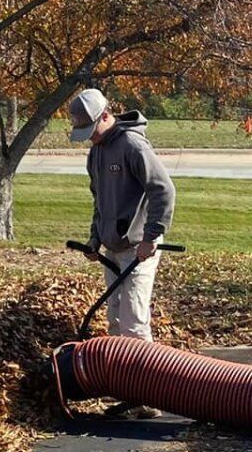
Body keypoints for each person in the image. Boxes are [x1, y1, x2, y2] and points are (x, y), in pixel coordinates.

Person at [72, 86, 175, 341]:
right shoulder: (96, 151)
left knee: (134, 325)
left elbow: (163, 190)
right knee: (116, 322)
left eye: (92, 130)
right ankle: (118, 378)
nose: (90, 137)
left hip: (138, 246)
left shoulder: (132, 145)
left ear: (105, 116)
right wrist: (95, 239)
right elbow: (100, 201)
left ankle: (145, 378)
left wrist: (151, 238)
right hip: (112, 247)